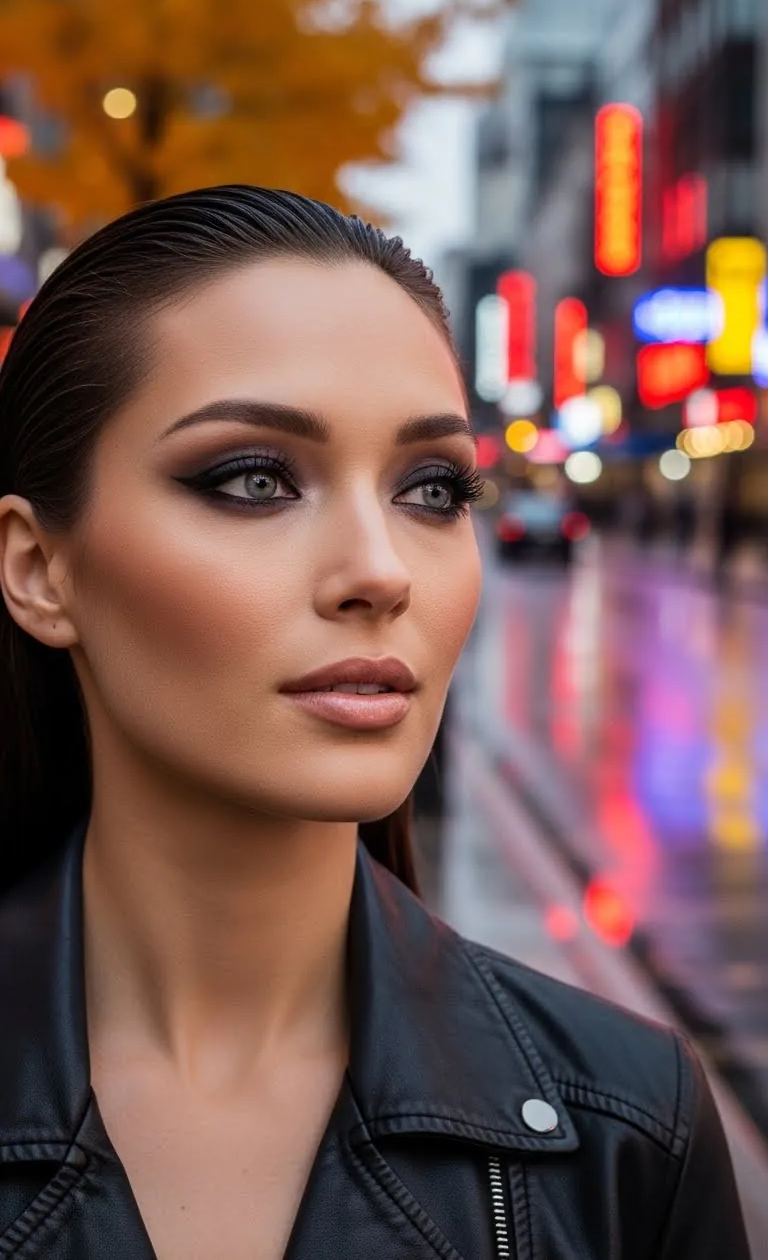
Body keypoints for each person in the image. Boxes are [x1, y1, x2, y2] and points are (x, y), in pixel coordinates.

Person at [0, 187, 749, 1260]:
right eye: (254, 478)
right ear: (40, 569)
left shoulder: (625, 1131)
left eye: (433, 490)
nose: (381, 571)